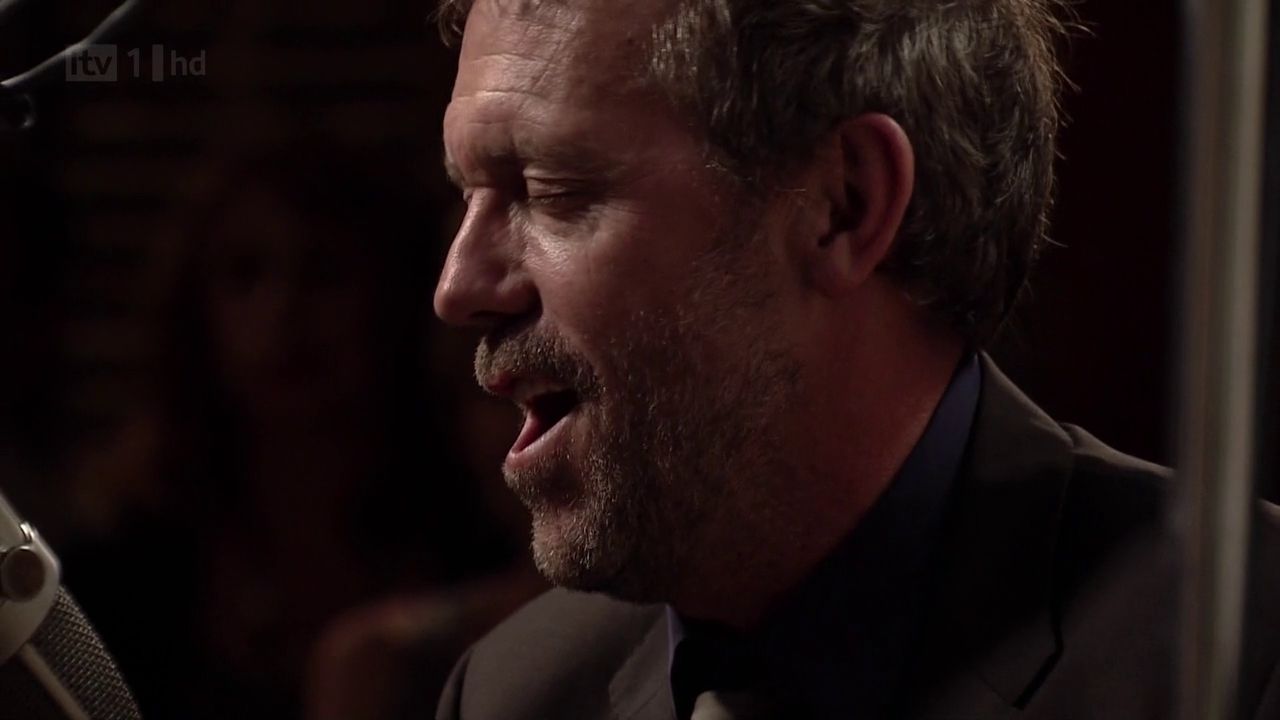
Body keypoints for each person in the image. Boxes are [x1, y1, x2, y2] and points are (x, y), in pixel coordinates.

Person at [428, 0, 1280, 718]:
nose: (458, 286)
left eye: (552, 190)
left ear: (845, 205)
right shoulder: (514, 693)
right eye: (470, 194)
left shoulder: (1239, 655)